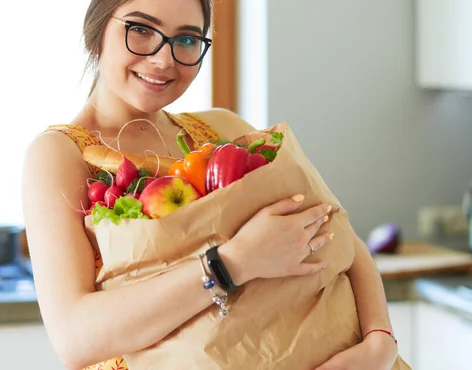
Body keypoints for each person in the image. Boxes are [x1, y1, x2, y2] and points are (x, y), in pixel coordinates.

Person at [21, 0, 402, 369]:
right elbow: (74, 339)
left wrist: (380, 345)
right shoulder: (60, 155)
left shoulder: (224, 130)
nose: (164, 58)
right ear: (95, 32)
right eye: (140, 30)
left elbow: (341, 236)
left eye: (186, 39)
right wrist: (234, 262)